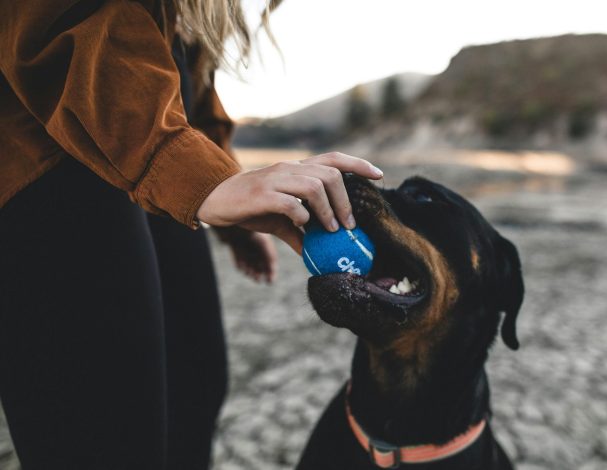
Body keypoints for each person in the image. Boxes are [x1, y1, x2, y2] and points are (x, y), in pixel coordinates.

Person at [0, 1, 383, 469]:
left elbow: (185, 74)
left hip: (141, 139)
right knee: (109, 439)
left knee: (195, 388)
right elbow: (65, 19)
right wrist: (195, 173)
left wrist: (227, 192)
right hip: (43, 156)